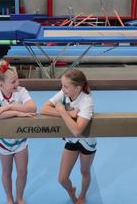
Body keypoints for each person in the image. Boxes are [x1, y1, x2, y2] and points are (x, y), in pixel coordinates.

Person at [0, 60, 36, 204]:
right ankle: (9, 198)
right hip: (3, 141)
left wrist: (8, 108)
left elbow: (32, 108)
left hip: (20, 139)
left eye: (17, 79)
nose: (17, 83)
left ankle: (19, 197)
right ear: (1, 84)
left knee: (22, 171)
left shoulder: (21, 91)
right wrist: (17, 113)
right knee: (7, 172)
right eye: (13, 82)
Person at [41, 69, 95, 204]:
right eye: (62, 85)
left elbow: (77, 131)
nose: (62, 89)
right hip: (71, 140)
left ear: (78, 88)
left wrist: (61, 111)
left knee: (85, 172)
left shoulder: (87, 102)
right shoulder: (64, 94)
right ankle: (71, 189)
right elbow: (44, 109)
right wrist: (67, 113)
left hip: (87, 141)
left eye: (65, 86)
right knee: (62, 178)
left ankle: (82, 195)